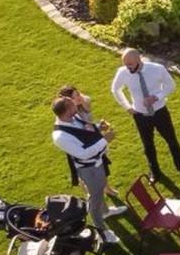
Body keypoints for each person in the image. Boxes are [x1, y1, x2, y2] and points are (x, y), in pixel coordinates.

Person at [51, 95, 125, 245]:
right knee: (95, 198)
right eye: (72, 105)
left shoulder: (73, 117)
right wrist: (105, 140)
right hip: (89, 169)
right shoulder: (60, 136)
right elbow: (83, 154)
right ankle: (102, 231)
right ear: (66, 111)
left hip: (98, 163)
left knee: (100, 189)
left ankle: (105, 212)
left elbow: (84, 129)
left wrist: (98, 127)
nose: (76, 106)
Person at [110, 48, 180, 183]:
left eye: (131, 64)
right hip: (140, 115)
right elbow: (115, 89)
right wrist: (127, 107)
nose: (128, 67)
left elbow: (171, 85)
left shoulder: (157, 69)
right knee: (148, 145)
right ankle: (155, 172)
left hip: (160, 112)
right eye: (125, 64)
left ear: (139, 60)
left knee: (171, 140)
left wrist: (157, 97)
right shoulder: (123, 72)